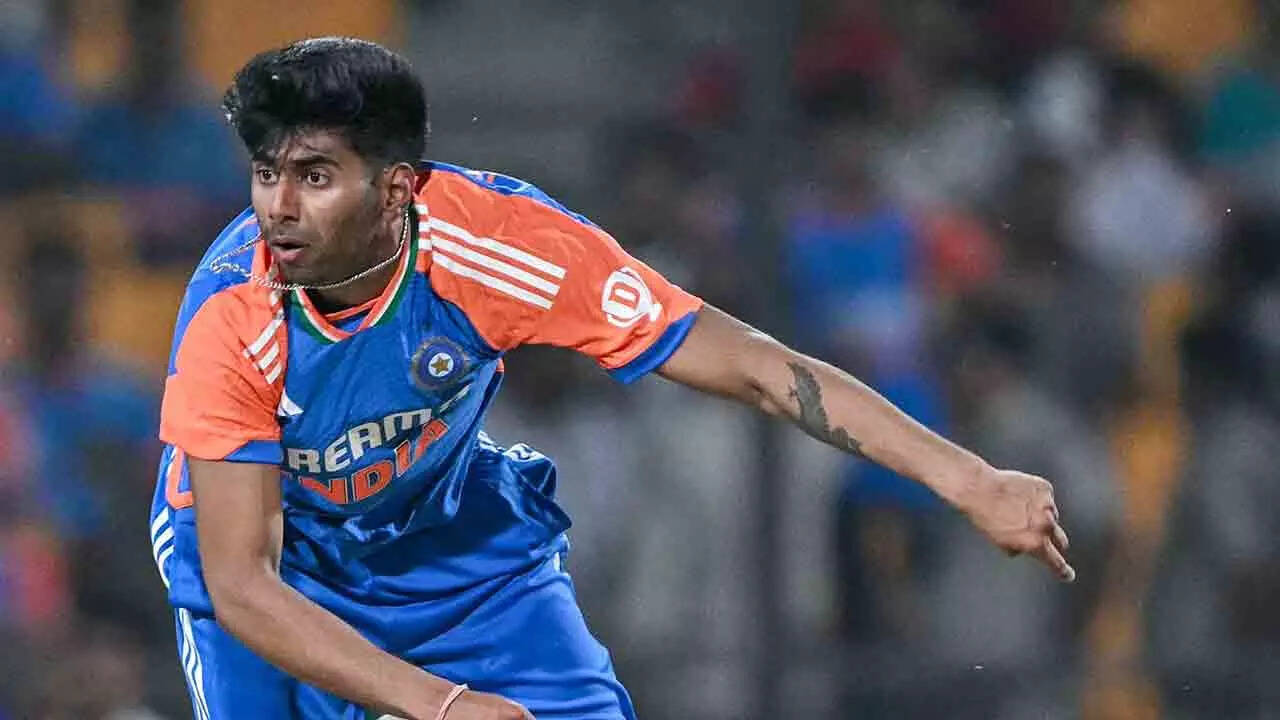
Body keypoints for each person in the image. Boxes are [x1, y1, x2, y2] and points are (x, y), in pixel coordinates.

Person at [149, 37, 1074, 720]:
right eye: (266, 173)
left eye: (314, 176)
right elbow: (242, 582)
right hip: (279, 571)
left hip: (447, 544)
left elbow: (755, 367)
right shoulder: (234, 310)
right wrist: (438, 705)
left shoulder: (503, 247)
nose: (278, 207)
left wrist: (968, 478)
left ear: (395, 189)